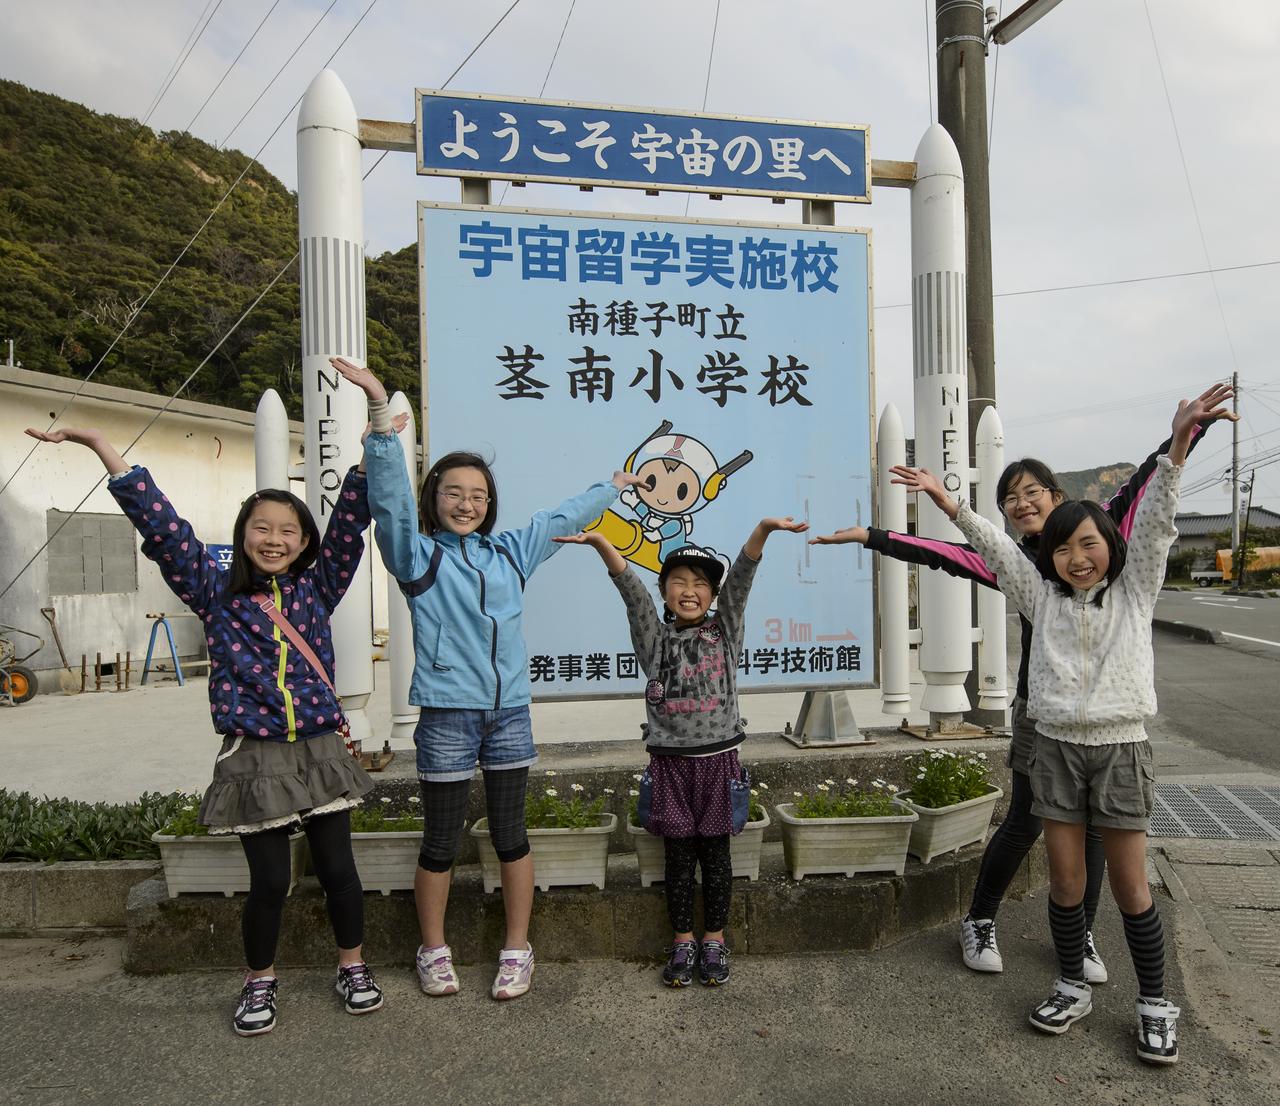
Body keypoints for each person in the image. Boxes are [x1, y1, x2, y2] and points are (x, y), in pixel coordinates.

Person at [887, 382, 1234, 1065]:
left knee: (1132, 888)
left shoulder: (1135, 593)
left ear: (1110, 544)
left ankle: (1155, 1002)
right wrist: (947, 500)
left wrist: (1178, 449)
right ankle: (1072, 985)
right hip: (1053, 748)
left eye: (1089, 543)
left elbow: (1159, 519)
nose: (1078, 557)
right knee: (1067, 882)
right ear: (1049, 560)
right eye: (1066, 550)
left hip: (1119, 749)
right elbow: (994, 548)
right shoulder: (1039, 595)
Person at [24, 421, 399, 1037]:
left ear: (305, 542)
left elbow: (350, 526)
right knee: (271, 880)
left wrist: (370, 447)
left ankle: (352, 966)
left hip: (321, 748)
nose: (274, 540)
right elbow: (162, 527)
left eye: (288, 531)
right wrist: (101, 447)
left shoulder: (317, 587)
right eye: (262, 529)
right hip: (254, 755)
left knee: (339, 871)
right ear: (243, 535)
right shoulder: (213, 590)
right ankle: (260, 981)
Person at [809, 416, 1218, 980]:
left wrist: (1184, 438)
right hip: (1043, 717)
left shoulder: (1111, 551)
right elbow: (951, 549)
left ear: (1059, 496)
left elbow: (1150, 500)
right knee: (1027, 821)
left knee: (1098, 835)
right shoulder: (1025, 571)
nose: (1022, 502)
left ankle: (1079, 942)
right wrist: (877, 534)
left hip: (1112, 731)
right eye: (1010, 497)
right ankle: (980, 918)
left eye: (1033, 492)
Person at [329, 355, 643, 1002]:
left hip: (509, 714)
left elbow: (558, 518)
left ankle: (517, 949)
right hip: (446, 714)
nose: (467, 503)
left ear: (488, 504)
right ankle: (434, 950)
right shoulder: (416, 557)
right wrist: (380, 423)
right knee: (440, 840)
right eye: (454, 493)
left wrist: (611, 488)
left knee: (511, 836)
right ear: (434, 500)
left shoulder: (507, 553)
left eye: (478, 496)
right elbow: (387, 508)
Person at [555, 520, 808, 987]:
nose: (689, 591)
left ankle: (714, 940)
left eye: (699, 584)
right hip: (669, 767)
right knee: (677, 860)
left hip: (719, 766)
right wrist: (600, 546)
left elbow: (743, 579)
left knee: (715, 858)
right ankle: (682, 941)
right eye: (678, 583)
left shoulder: (724, 634)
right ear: (665, 592)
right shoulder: (655, 642)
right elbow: (632, 594)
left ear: (712, 596)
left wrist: (764, 530)